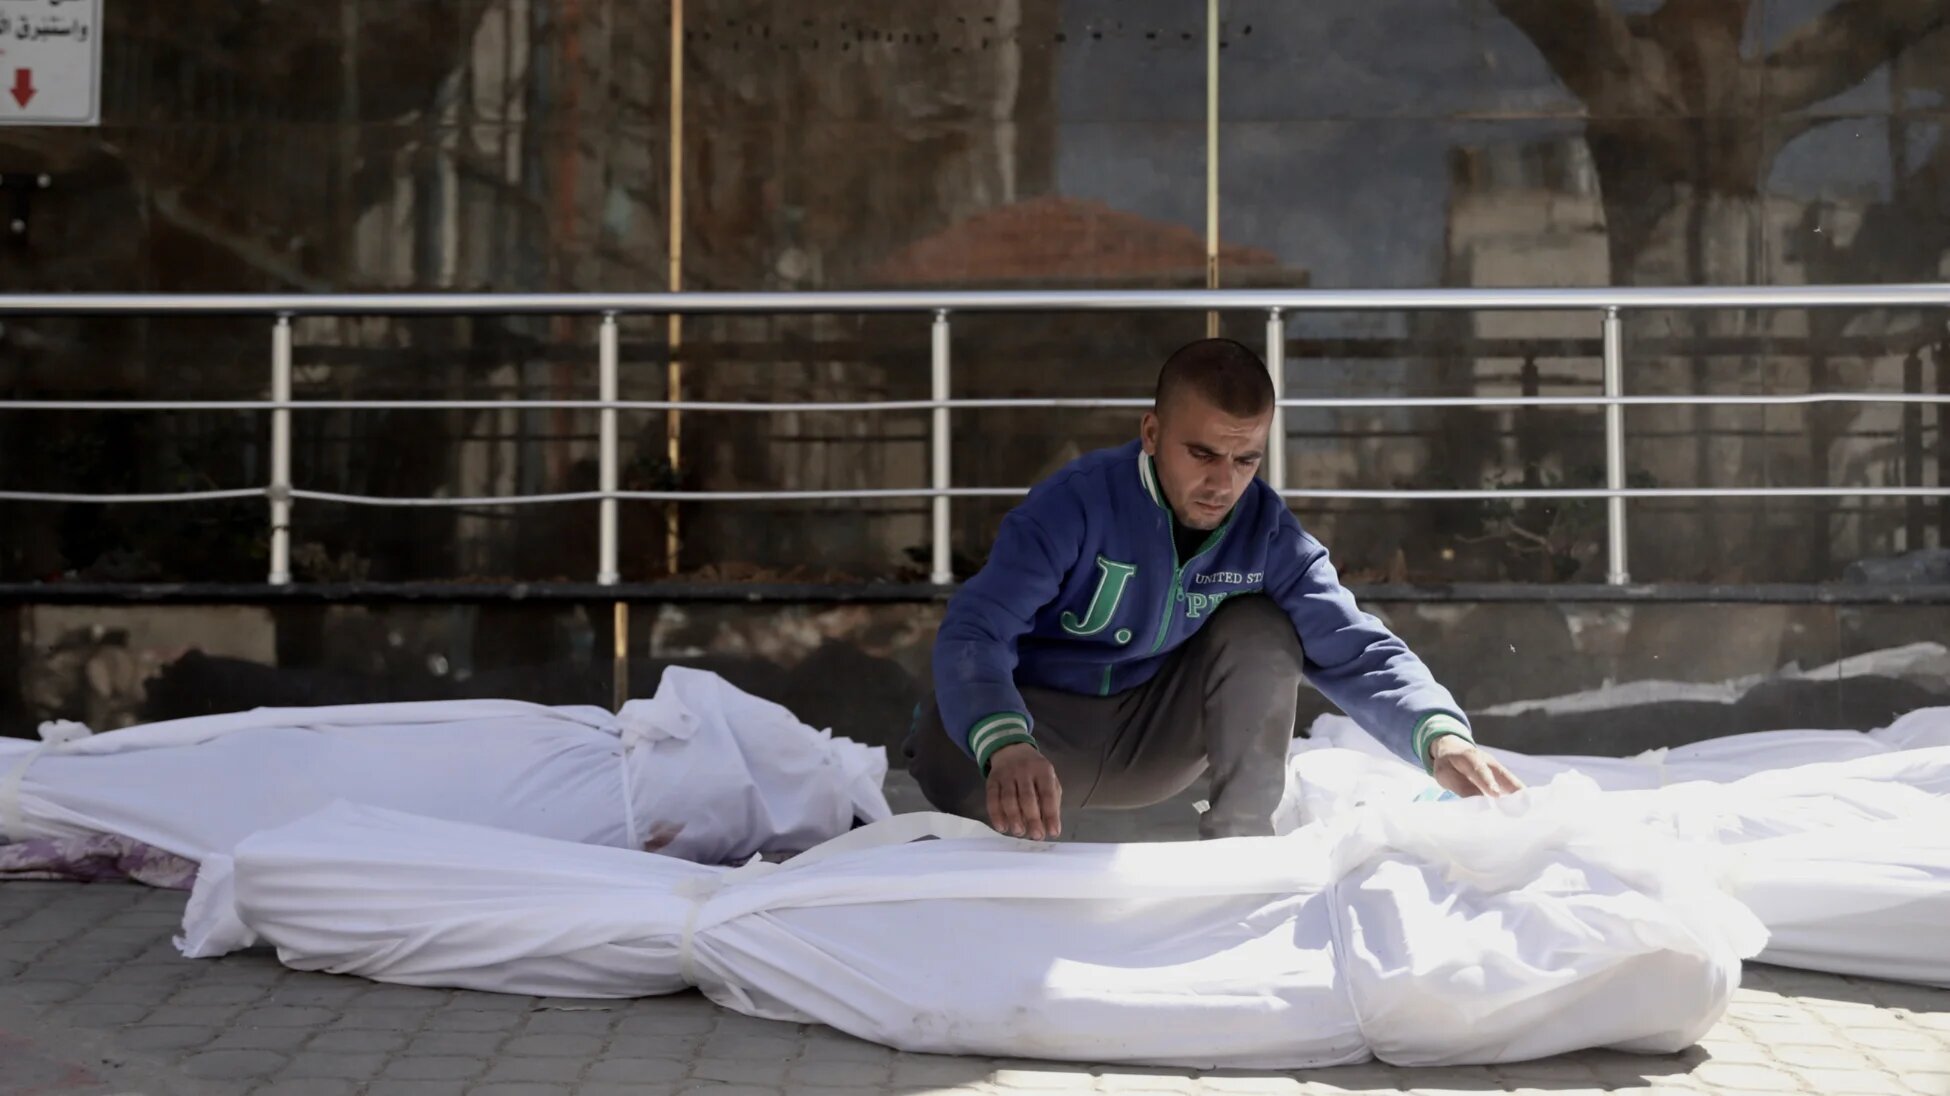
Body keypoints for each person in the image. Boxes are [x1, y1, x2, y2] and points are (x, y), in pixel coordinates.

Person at [904, 337, 1523, 841]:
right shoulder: (1073, 505)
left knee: (1263, 625)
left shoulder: (1266, 533)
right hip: (1031, 738)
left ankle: (1242, 847)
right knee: (951, 736)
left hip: (1148, 745)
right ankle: (994, 823)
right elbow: (977, 631)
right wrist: (1004, 741)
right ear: (1151, 434)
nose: (1222, 484)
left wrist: (1442, 737)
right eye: (1201, 454)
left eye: (1246, 460)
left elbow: (1354, 646)